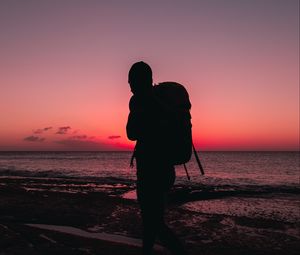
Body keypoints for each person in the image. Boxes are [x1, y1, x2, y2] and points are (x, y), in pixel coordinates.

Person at [126, 61, 187, 255]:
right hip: (166, 170)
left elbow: (131, 133)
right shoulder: (163, 103)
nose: (129, 85)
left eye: (131, 80)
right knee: (153, 221)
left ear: (138, 80)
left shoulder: (139, 101)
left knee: (153, 222)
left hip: (150, 170)